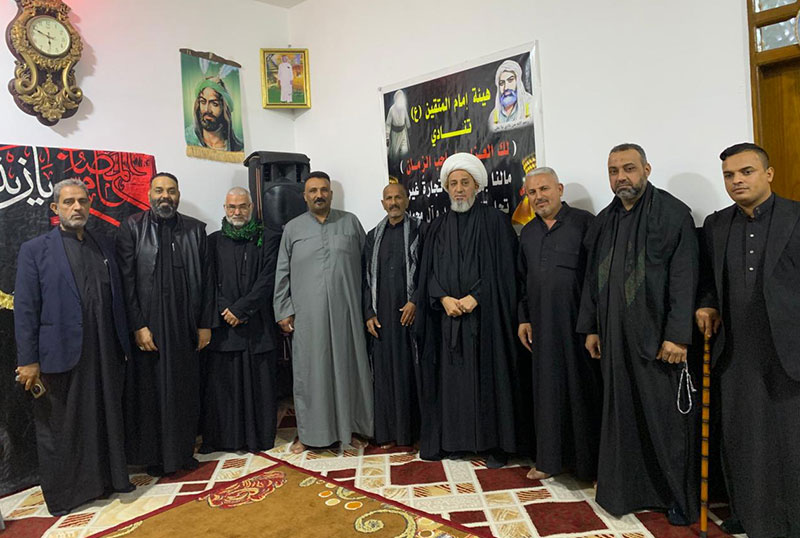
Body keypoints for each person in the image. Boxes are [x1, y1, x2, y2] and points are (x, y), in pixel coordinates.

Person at [577, 143, 699, 525]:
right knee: (621, 416)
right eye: (613, 171)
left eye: (628, 168)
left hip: (657, 340)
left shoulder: (673, 214)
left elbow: (685, 278)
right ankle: (627, 491)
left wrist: (677, 335)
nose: (621, 178)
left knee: (664, 421)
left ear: (646, 168)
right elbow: (592, 280)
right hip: (614, 337)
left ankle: (676, 497)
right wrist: (591, 327)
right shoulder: (604, 220)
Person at [696, 143, 800, 537]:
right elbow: (708, 279)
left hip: (789, 349)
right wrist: (707, 304)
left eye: (746, 172)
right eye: (729, 175)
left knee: (789, 438)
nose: (737, 180)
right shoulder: (716, 224)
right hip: (736, 350)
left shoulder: (796, 216)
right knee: (744, 438)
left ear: (768, 174)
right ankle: (750, 514)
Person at [14, 179, 133, 515]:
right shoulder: (35, 250)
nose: (76, 207)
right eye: (68, 202)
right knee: (63, 427)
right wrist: (28, 361)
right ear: (55, 208)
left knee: (105, 418)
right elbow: (26, 309)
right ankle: (67, 496)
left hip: (104, 351)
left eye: (82, 201)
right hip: (61, 354)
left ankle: (108, 481)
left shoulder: (103, 244)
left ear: (90, 205)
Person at [415, 153, 518, 468]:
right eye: (453, 184)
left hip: (486, 321)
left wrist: (477, 296)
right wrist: (443, 298)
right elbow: (427, 274)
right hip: (448, 320)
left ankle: (494, 445)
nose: (459, 189)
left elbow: (506, 270)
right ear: (446, 188)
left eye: (465, 183)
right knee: (453, 384)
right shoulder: (435, 227)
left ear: (477, 186)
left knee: (490, 381)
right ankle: (456, 442)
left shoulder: (495, 222)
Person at [117, 172, 214, 476]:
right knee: (153, 393)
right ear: (149, 194)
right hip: (151, 327)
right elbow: (126, 282)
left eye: (171, 191)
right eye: (159, 190)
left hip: (185, 325)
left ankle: (183, 453)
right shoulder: (133, 227)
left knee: (184, 390)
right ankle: (157, 458)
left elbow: (207, 281)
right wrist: (138, 325)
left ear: (178, 195)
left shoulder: (196, 230)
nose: (165, 196)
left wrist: (204, 324)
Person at [273, 171, 373, 454]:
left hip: (348, 314)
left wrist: (369, 310)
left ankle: (352, 429)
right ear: (305, 196)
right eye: (313, 191)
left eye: (324, 190)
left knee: (350, 370)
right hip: (308, 317)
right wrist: (283, 310)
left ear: (331, 193)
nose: (319, 195)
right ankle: (310, 434)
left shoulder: (350, 223)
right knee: (311, 374)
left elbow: (368, 269)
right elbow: (282, 272)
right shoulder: (293, 229)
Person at [517, 167, 601, 481]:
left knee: (582, 394)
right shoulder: (528, 232)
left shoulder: (585, 223)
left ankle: (589, 467)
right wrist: (523, 318)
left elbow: (595, 278)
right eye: (532, 192)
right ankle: (549, 461)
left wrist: (592, 325)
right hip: (541, 328)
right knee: (546, 395)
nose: (539, 197)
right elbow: (522, 281)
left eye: (544, 189)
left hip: (578, 328)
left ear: (560, 189)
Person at [201, 187, 281, 454]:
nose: (237, 212)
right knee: (226, 387)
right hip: (225, 328)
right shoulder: (212, 241)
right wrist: (226, 309)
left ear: (251, 207)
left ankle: (259, 439)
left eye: (243, 206)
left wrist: (242, 309)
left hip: (258, 325)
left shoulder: (269, 238)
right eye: (232, 207)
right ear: (225, 209)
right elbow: (208, 281)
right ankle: (229, 440)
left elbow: (268, 278)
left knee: (260, 385)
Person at [363, 183, 424, 448]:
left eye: (398, 197)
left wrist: (415, 301)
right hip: (382, 321)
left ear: (407, 201)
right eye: (388, 198)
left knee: (411, 374)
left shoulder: (420, 231)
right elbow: (365, 279)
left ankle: (413, 434)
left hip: (411, 319)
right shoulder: (372, 236)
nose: (393, 202)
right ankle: (388, 433)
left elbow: (427, 271)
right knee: (385, 377)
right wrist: (368, 313)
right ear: (383, 203)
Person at [185, 76, 244, 152]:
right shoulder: (189, 138)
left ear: (224, 107)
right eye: (203, 102)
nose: (207, 109)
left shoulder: (237, 148)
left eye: (214, 104)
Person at [488, 59, 534, 132]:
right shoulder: (494, 116)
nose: (506, 87)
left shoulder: (530, 105)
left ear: (517, 82)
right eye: (501, 83)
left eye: (510, 80)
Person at [385, 90, 411, 162]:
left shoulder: (403, 108)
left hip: (403, 133)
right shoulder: (392, 109)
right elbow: (388, 124)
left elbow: (407, 119)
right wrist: (387, 137)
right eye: (398, 98)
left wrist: (409, 128)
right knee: (395, 154)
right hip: (394, 135)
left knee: (404, 151)